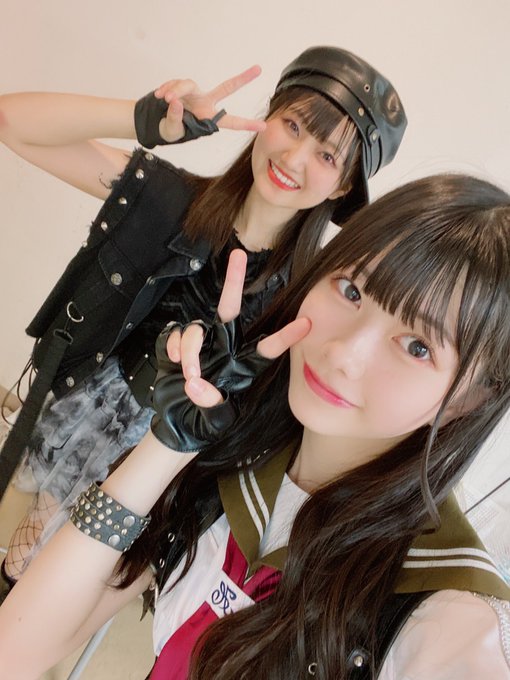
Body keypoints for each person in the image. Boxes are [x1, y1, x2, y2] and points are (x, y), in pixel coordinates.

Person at [1, 173, 509, 679]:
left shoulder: (441, 618)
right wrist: (167, 445)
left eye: (418, 346)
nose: (343, 354)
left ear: (473, 398)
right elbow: (17, 650)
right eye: (352, 290)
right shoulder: (241, 461)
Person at [0, 46, 407, 589]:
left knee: (67, 589)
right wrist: (144, 121)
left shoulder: (310, 298)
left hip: (168, 469)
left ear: (342, 188)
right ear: (265, 118)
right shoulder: (167, 200)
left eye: (327, 156)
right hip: (92, 413)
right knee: (23, 560)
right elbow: (12, 122)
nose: (294, 159)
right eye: (292, 126)